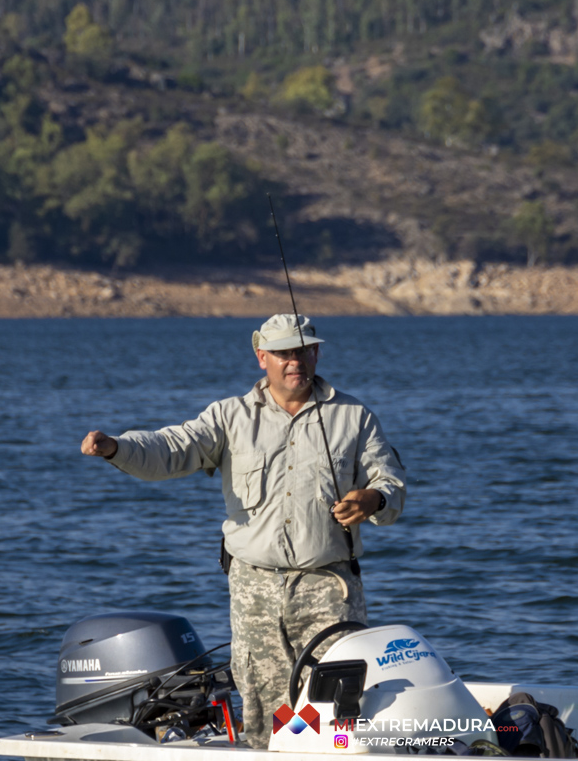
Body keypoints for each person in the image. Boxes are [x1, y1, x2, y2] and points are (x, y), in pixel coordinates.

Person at [79, 313, 407, 748]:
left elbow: (392, 483)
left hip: (330, 590)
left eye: (304, 350)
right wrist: (118, 448)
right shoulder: (229, 417)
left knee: (336, 712)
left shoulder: (354, 416)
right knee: (270, 718)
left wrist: (374, 500)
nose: (296, 362)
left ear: (316, 353)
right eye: (284, 353)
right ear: (261, 358)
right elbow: (171, 448)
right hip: (254, 591)